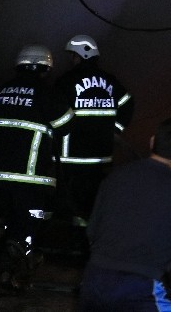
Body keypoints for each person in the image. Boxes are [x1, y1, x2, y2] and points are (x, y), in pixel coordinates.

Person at [79, 117, 171, 311]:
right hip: (140, 286)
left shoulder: (116, 176)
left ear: (152, 142)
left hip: (93, 280)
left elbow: (92, 231)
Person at [0, 44, 74, 294]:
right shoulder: (47, 93)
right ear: (45, 69)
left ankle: (5, 260)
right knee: (30, 223)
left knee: (8, 219)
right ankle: (17, 268)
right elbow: (65, 126)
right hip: (30, 176)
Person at [53, 34, 135, 232]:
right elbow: (127, 103)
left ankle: (73, 237)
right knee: (95, 199)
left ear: (82, 55)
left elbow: (52, 109)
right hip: (101, 156)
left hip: (72, 157)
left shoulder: (66, 81)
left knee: (72, 201)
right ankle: (92, 235)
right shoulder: (110, 81)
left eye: (73, 56)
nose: (71, 60)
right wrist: (115, 129)